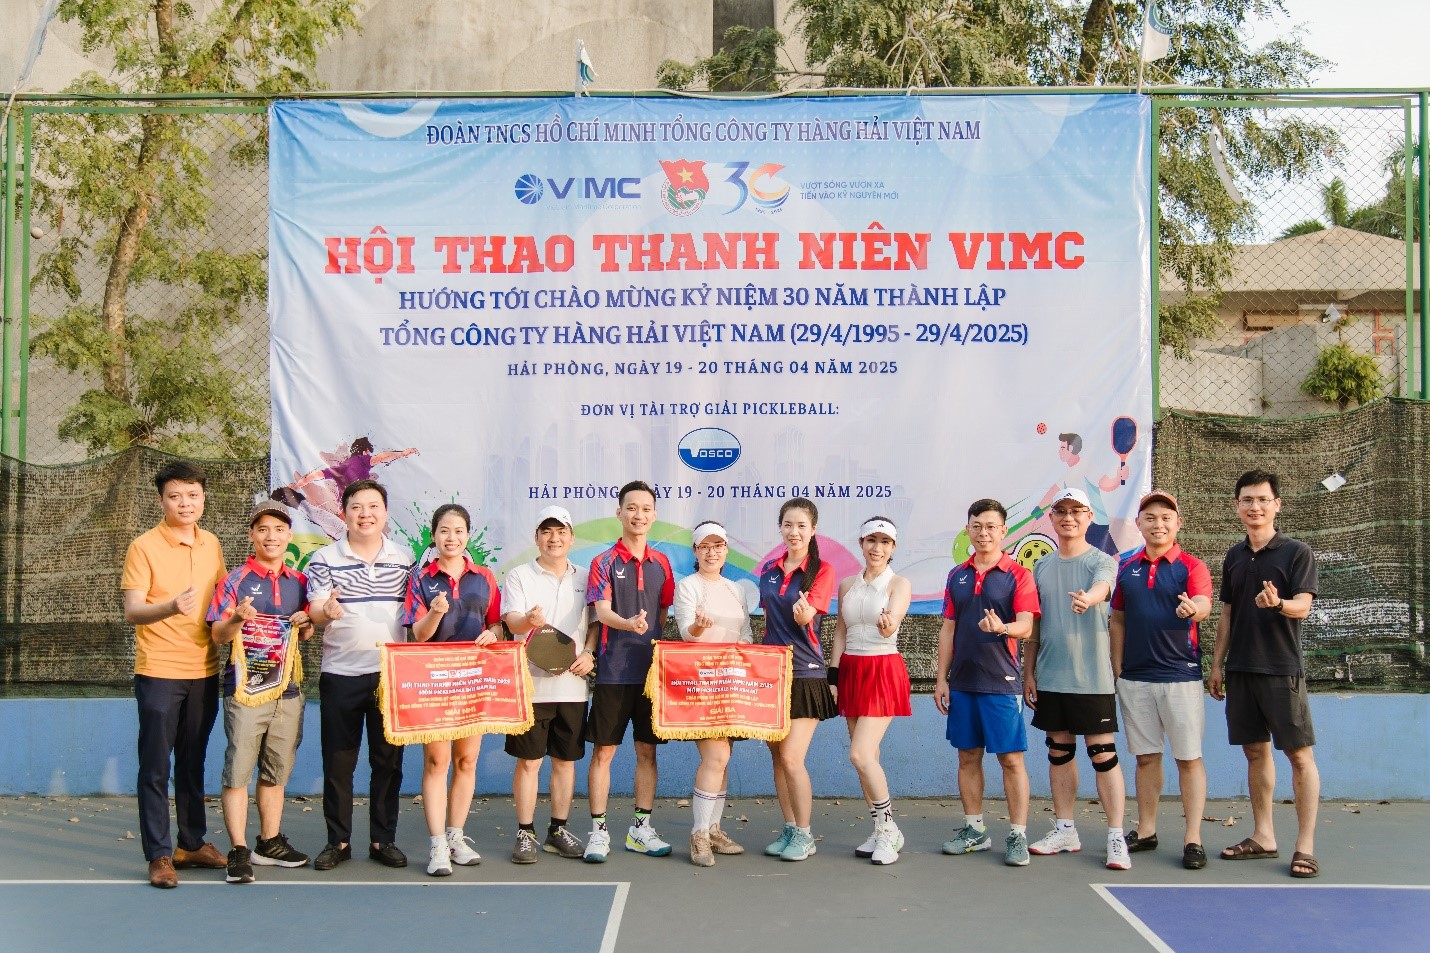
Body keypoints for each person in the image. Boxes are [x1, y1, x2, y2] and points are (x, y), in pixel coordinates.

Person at [121, 461, 229, 888]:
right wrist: (170, 606)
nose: (185, 503)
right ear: (161, 500)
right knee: (155, 767)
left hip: (204, 670)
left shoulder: (211, 544)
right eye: (175, 496)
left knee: (192, 761)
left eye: (193, 495)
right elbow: (133, 610)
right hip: (159, 671)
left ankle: (191, 843)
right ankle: (159, 855)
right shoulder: (143, 547)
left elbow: (223, 600)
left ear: (203, 498)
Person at [1210, 470, 1321, 879]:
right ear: (1237, 506)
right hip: (1240, 671)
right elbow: (1227, 613)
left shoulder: (1296, 552)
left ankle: (1305, 847)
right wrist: (1217, 664)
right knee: (1255, 753)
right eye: (1247, 500)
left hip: (1281, 670)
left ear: (1277, 505)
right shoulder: (1234, 556)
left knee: (1299, 756)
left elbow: (1303, 606)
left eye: (1262, 499)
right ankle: (1264, 836)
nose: (1254, 507)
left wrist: (1278, 604)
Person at [306, 478, 414, 871]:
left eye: (372, 507)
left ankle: (383, 840)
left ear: (385, 513)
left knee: (388, 763)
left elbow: (418, 614)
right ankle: (338, 841)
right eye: (356, 507)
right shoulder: (324, 559)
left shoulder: (405, 559)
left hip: (391, 677)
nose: (365, 514)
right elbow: (315, 611)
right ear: (344, 513)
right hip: (340, 675)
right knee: (339, 764)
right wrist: (325, 612)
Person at [206, 501, 316, 884]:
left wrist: (306, 623)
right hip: (246, 688)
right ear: (252, 534)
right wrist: (237, 618)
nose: (272, 536)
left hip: (287, 689)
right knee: (239, 769)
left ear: (289, 535)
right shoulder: (234, 581)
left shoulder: (300, 582)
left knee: (276, 769)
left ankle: (268, 842)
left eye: (279, 529)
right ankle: (238, 850)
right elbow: (218, 635)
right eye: (263, 529)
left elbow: (307, 632)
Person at [1109, 490, 1214, 870]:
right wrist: (1118, 669)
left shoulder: (1191, 566)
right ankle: (1147, 830)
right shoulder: (1126, 567)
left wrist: (1193, 609)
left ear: (1178, 523)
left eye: (1166, 518)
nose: (1158, 524)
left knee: (1188, 758)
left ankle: (1193, 839)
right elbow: (1117, 619)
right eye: (1150, 518)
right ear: (1139, 524)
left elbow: (1204, 604)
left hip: (1180, 676)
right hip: (1136, 679)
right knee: (1146, 758)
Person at [1024, 488, 1128, 869]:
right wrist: (1029, 672)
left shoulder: (1102, 560)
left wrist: (1090, 598)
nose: (1069, 517)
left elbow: (1104, 587)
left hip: (1092, 678)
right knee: (1058, 751)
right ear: (1052, 518)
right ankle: (1065, 829)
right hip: (1051, 677)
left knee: (1103, 755)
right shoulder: (1041, 567)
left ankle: (1116, 836)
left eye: (1077, 511)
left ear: (1089, 517)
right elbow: (1034, 625)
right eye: (1062, 511)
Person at [935, 498, 1040, 867]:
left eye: (991, 526)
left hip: (1003, 682)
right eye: (977, 526)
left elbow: (1026, 626)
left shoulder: (1019, 575)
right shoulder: (957, 575)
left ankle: (1018, 835)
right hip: (962, 684)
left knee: (1011, 760)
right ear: (968, 529)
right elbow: (948, 629)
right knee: (967, 757)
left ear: (1004, 530)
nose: (984, 533)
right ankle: (975, 830)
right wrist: (941, 679)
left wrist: (1003, 628)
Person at [401, 503, 503, 876]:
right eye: (444, 530)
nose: (452, 537)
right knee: (437, 762)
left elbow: (497, 624)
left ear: (468, 536)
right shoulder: (421, 579)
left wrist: (494, 634)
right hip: (435, 681)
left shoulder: (485, 577)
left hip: (473, 680)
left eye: (459, 531)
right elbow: (417, 634)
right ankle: (437, 846)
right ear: (433, 536)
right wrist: (436, 612)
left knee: (466, 761)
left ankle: (456, 836)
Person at [583, 480, 676, 862]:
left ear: (654, 515)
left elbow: (663, 610)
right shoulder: (603, 562)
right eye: (632, 508)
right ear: (619, 513)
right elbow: (601, 612)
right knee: (604, 753)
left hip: (650, 676)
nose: (639, 515)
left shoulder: (663, 563)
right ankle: (598, 832)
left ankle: (640, 829)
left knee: (647, 752)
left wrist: (650, 634)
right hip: (613, 671)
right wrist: (628, 624)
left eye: (646, 509)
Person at [501, 505, 595, 865]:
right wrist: (529, 620)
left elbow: (595, 622)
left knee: (565, 762)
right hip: (531, 687)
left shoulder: (585, 576)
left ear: (571, 537)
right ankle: (525, 832)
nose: (554, 538)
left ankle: (558, 830)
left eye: (561, 531)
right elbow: (512, 622)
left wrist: (589, 652)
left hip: (573, 687)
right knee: (529, 763)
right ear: (537, 537)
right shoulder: (520, 575)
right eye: (547, 531)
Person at [757, 498, 838, 862]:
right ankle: (789, 827)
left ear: (813, 529)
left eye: (802, 526)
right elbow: (768, 621)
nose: (794, 532)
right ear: (781, 528)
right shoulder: (769, 571)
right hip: (770, 673)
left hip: (805, 673)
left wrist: (805, 614)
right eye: (788, 525)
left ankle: (805, 834)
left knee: (791, 757)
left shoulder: (822, 570)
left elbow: (809, 617)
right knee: (777, 756)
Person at [831, 517, 913, 866]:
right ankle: (880, 829)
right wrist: (833, 677)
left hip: (882, 669)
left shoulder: (899, 583)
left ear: (893, 548)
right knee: (869, 759)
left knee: (860, 754)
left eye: (884, 542)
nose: (877, 548)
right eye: (871, 540)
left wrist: (888, 624)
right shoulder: (847, 585)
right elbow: (840, 631)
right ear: (861, 543)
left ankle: (891, 829)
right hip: (851, 670)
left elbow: (892, 622)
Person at [672, 520, 753, 867]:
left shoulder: (736, 590)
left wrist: (744, 648)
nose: (711, 552)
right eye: (704, 546)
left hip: (731, 684)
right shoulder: (687, 586)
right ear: (695, 550)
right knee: (716, 756)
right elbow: (686, 634)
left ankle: (715, 829)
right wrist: (698, 626)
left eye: (718, 546)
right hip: (701, 683)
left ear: (726, 550)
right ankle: (699, 833)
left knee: (723, 758)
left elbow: (746, 633)